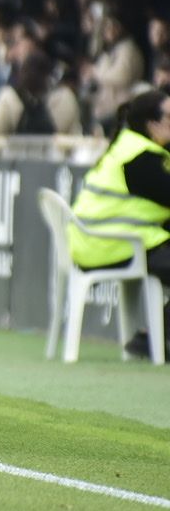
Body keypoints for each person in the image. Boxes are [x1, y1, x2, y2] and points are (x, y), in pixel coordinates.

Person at [69, 90, 170, 361]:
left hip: (100, 242)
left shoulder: (131, 147)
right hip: (113, 246)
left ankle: (154, 335)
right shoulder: (141, 159)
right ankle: (154, 337)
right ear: (154, 125)